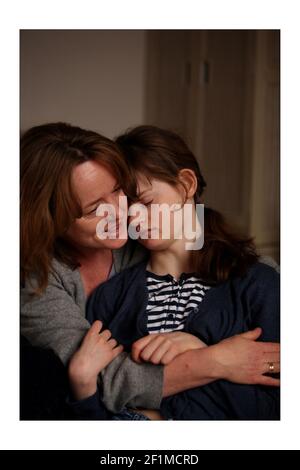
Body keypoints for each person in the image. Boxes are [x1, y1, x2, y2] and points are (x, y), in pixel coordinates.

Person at [21, 122, 279, 420]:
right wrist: (210, 359)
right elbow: (100, 383)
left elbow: (199, 230)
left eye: (119, 191)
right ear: (53, 220)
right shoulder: (44, 285)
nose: (122, 213)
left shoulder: (148, 235)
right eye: (94, 209)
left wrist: (256, 272)